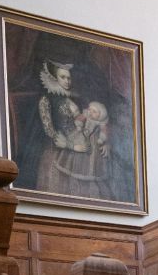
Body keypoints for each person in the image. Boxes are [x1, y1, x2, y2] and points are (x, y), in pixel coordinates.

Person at [35, 60, 113, 200]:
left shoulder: (72, 99)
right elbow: (49, 131)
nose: (67, 81)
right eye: (63, 77)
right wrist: (71, 146)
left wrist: (104, 142)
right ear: (54, 78)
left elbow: (89, 122)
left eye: (69, 78)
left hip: (82, 143)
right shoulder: (46, 100)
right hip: (58, 148)